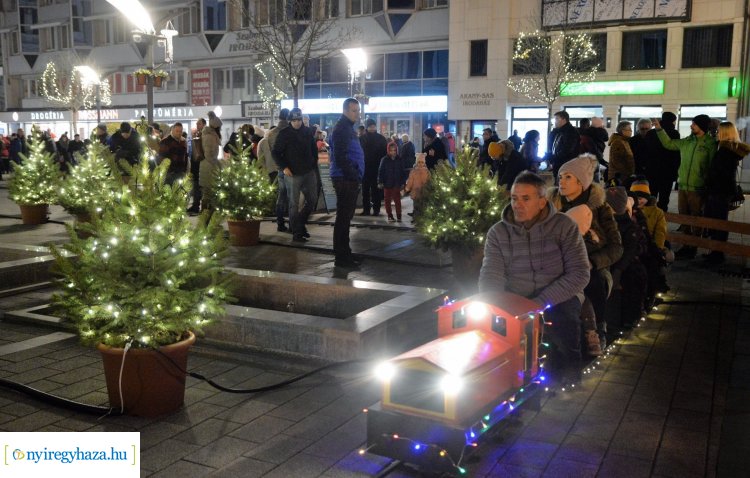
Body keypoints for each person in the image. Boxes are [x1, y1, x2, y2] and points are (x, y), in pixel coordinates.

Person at [479, 171, 590, 383]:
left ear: (542, 202)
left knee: (564, 323)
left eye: (525, 198)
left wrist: (540, 302)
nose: (517, 204)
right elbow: (491, 274)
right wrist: (493, 304)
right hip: (516, 296)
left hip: (559, 294)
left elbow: (579, 273)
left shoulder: (563, 226)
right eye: (514, 198)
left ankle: (569, 376)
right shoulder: (499, 233)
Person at [548, 154, 624, 347]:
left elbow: (616, 247)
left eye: (568, 177)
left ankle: (598, 328)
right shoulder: (551, 204)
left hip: (592, 265)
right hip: (555, 262)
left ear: (581, 182)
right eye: (560, 177)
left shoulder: (600, 208)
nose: (561, 182)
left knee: (594, 282)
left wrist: (593, 262)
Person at [653, 114, 717, 259]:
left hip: (698, 187)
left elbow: (712, 166)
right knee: (684, 218)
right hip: (683, 186)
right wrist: (659, 129)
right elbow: (668, 144)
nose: (691, 126)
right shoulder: (688, 141)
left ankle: (693, 246)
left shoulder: (710, 143)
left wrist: (706, 183)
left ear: (701, 126)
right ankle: (686, 244)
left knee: (696, 218)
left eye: (694, 124)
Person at [704, 121, 750, 264]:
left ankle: (717, 254)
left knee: (719, 223)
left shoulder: (725, 151)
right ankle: (716, 252)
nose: (716, 133)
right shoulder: (731, 149)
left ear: (725, 133)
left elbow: (720, 174)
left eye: (718, 131)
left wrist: (710, 185)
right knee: (719, 222)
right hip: (722, 191)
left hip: (719, 192)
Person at [272, 107, 318, 243]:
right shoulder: (284, 134)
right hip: (293, 173)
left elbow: (313, 149)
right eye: (294, 120)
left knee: (312, 200)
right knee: (293, 204)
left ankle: (299, 225)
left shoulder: (307, 132)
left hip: (308, 171)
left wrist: (313, 164)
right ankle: (297, 232)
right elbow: (275, 152)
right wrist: (284, 167)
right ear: (290, 121)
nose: (297, 122)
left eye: (298, 120)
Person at [329, 98, 365, 269]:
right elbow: (340, 156)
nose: (357, 114)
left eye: (358, 110)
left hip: (348, 178)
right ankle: (342, 257)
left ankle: (345, 253)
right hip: (345, 179)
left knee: (345, 218)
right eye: (354, 110)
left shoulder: (347, 128)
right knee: (343, 218)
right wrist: (353, 174)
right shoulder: (342, 129)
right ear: (345, 110)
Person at [644, 112, 681, 211]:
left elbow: (646, 151)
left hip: (652, 170)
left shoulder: (651, 133)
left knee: (651, 196)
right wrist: (675, 172)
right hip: (667, 171)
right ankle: (662, 218)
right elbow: (676, 154)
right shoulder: (674, 133)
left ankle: (650, 217)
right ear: (673, 121)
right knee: (664, 197)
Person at [268, 109, 291, 232]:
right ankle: (293, 224)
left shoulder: (271, 133)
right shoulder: (290, 132)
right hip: (291, 169)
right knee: (293, 197)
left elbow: (273, 151)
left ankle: (280, 222)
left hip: (279, 168)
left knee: (281, 196)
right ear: (288, 117)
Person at [359, 118, 388, 216]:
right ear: (367, 127)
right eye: (370, 126)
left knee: (376, 190)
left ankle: (376, 209)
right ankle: (366, 209)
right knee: (365, 190)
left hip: (377, 168)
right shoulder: (362, 138)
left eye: (373, 126)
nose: (372, 128)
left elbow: (385, 153)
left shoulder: (380, 138)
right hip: (365, 168)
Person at [546, 110, 580, 181]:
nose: (555, 121)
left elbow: (567, 149)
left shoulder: (570, 131)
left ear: (564, 119)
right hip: (559, 164)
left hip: (565, 165)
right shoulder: (559, 131)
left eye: (557, 119)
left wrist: (554, 158)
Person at [378, 142, 406, 222]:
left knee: (397, 200)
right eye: (391, 150)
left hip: (397, 183)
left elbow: (402, 172)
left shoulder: (399, 159)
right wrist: (380, 181)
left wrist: (403, 182)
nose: (393, 152)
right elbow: (381, 171)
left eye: (394, 150)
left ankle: (399, 215)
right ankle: (389, 215)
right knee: (387, 200)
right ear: (388, 150)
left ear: (396, 150)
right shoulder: (384, 159)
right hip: (387, 183)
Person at [200, 112, 222, 212]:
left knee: (209, 193)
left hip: (209, 166)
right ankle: (205, 216)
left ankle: (207, 216)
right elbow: (208, 154)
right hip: (209, 167)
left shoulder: (211, 136)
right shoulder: (210, 137)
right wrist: (215, 163)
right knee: (208, 193)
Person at [579, 117, 609, 182]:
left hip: (586, 156)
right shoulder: (602, 132)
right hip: (596, 156)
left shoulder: (586, 132)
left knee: (587, 177)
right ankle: (595, 190)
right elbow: (606, 138)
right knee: (595, 176)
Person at [405, 153, 430, 222]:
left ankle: (422, 217)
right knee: (415, 205)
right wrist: (407, 188)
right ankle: (415, 217)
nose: (420, 164)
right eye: (419, 162)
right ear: (416, 163)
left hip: (423, 191)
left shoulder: (427, 172)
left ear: (424, 163)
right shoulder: (413, 172)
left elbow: (429, 180)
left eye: (422, 162)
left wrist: (429, 188)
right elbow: (410, 181)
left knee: (422, 205)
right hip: (415, 192)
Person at [187, 117, 206, 213]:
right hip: (195, 163)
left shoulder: (205, 136)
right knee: (195, 185)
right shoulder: (196, 135)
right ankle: (195, 205)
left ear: (203, 125)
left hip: (201, 163)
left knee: (201, 186)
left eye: (199, 124)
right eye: (197, 124)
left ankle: (200, 206)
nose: (197, 126)